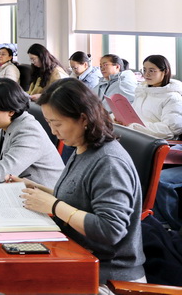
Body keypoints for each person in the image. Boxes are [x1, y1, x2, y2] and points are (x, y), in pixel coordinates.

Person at [16, 78, 145, 289]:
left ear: (83, 118)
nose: (53, 131)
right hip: (77, 257)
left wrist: (54, 205)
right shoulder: (82, 148)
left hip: (107, 277)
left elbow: (111, 230)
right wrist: (38, 189)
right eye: (49, 123)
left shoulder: (109, 162)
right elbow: (81, 198)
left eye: (57, 124)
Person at [127, 55, 182, 139]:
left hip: (154, 142)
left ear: (165, 71)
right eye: (144, 70)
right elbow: (133, 115)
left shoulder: (172, 98)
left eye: (151, 71)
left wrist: (134, 127)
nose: (146, 74)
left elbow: (169, 130)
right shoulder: (142, 91)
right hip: (135, 136)